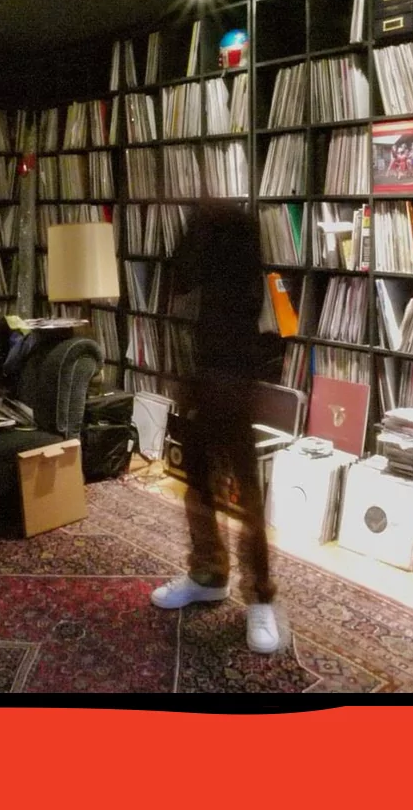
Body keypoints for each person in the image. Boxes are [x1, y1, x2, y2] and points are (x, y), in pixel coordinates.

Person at [149, 198, 288, 654]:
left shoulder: (236, 225)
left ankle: (261, 597)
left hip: (235, 374)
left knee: (245, 495)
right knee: (197, 484)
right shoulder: (207, 219)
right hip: (202, 368)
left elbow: (235, 297)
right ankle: (207, 575)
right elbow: (182, 279)